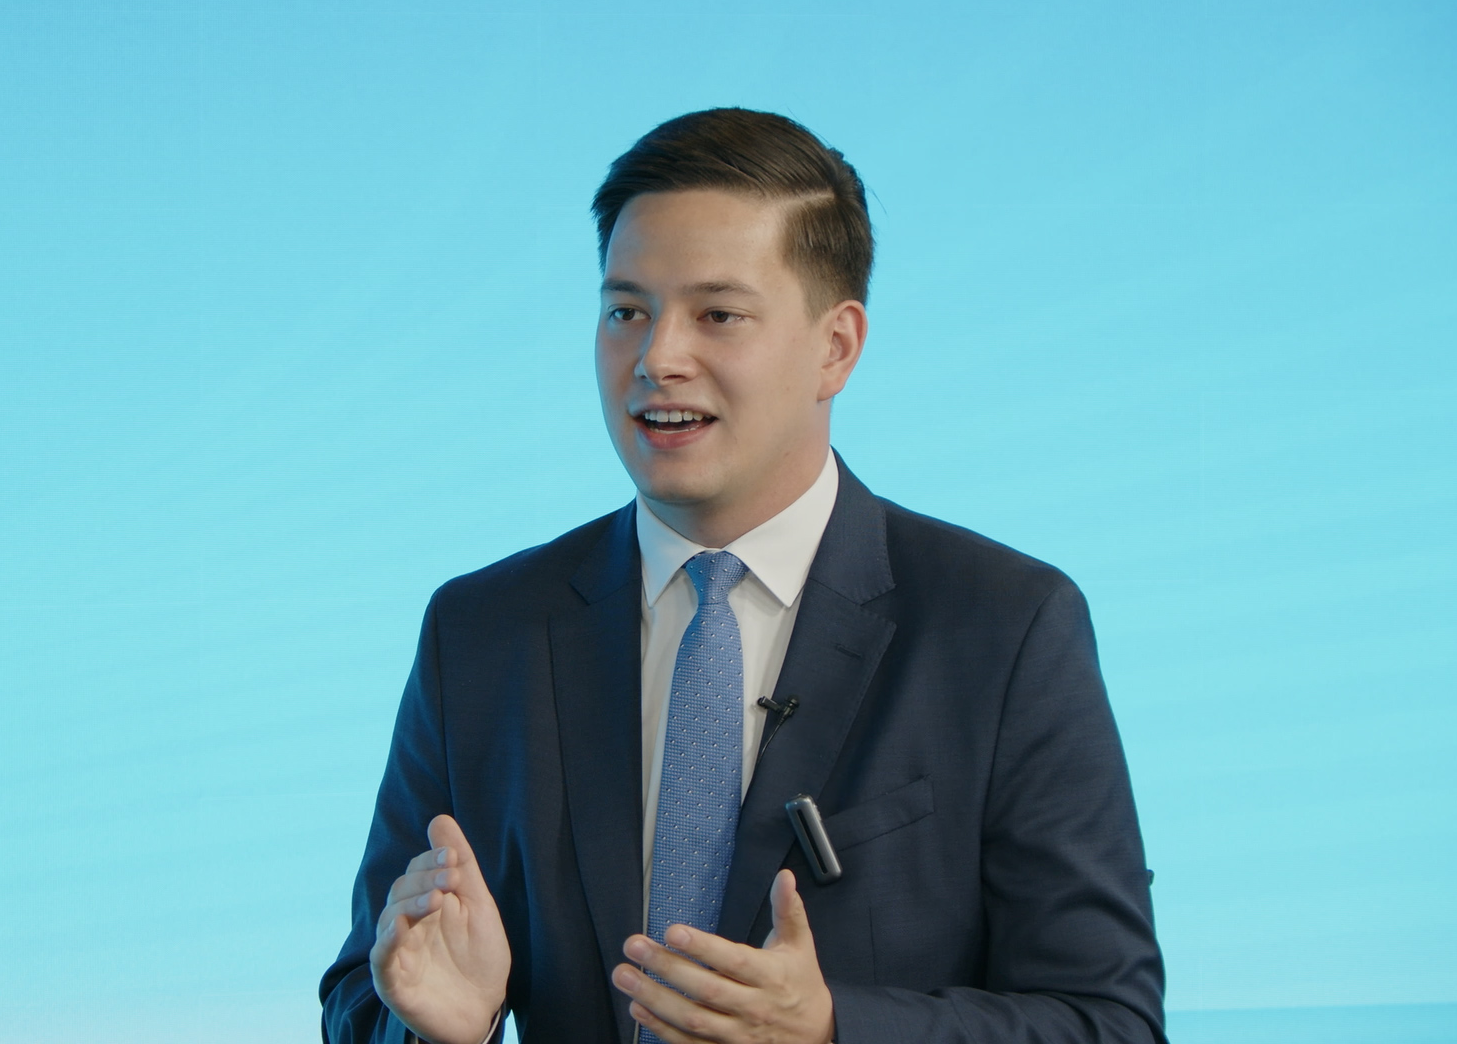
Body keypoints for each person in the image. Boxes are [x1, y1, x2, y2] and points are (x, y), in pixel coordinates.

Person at [319, 108, 1165, 1044]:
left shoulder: (1004, 628)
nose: (657, 359)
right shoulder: (484, 633)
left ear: (836, 347)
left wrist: (833, 1029)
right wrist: (439, 1028)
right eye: (626, 312)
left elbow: (1109, 1021)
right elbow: (364, 993)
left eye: (717, 315)